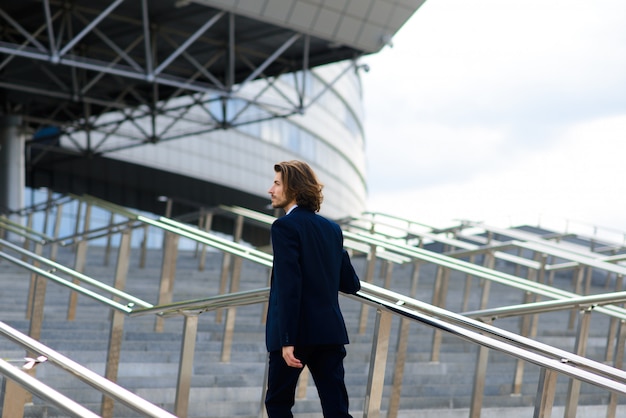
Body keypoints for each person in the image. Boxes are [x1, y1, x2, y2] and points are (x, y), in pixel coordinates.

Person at [265, 160, 361, 418]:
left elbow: (289, 285)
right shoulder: (332, 228)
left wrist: (287, 340)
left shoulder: (284, 227)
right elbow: (351, 284)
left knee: (278, 405)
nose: (270, 190)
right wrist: (332, 248)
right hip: (329, 333)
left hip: (295, 334)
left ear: (293, 189)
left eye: (276, 183)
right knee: (337, 409)